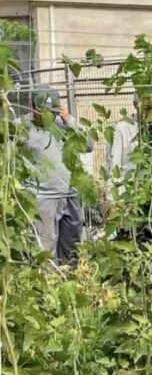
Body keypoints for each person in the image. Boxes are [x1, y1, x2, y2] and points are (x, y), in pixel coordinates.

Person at [22, 89, 92, 262]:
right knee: (45, 249)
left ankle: (70, 283)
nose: (46, 116)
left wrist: (70, 121)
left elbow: (88, 146)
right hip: (43, 197)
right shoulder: (21, 127)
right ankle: (48, 285)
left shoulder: (64, 125)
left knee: (73, 247)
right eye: (42, 112)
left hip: (69, 194)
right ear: (32, 108)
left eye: (51, 112)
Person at [106, 95, 152, 243]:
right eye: (144, 107)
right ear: (135, 105)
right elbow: (115, 165)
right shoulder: (123, 127)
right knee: (129, 238)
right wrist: (114, 199)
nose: (148, 111)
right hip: (130, 193)